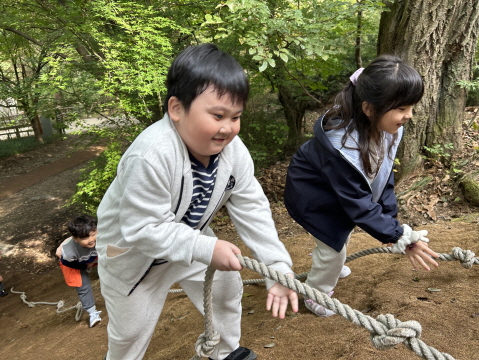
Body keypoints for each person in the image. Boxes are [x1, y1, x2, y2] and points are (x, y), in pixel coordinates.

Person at [96, 43, 298, 360]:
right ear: (176, 109)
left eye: (236, 117)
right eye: (217, 115)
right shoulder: (150, 155)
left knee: (226, 287)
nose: (228, 128)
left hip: (187, 240)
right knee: (130, 332)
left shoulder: (234, 152)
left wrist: (277, 266)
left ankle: (226, 352)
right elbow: (142, 227)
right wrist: (205, 248)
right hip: (131, 256)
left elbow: (252, 208)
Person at [284, 55, 440, 317]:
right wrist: (397, 235)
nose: (409, 116)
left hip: (335, 194)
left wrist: (391, 221)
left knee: (337, 240)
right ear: (369, 108)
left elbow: (384, 178)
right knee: (332, 245)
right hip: (311, 196)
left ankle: (329, 262)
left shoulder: (385, 129)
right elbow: (358, 204)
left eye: (411, 107)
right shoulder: (341, 147)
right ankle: (315, 294)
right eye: (402, 108)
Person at [56, 214, 102, 327]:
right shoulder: (68, 252)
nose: (91, 240)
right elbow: (68, 263)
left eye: (93, 234)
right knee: (83, 286)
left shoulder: (102, 236)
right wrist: (86, 267)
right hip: (76, 263)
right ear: (75, 239)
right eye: (85, 238)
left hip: (95, 257)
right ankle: (93, 313)